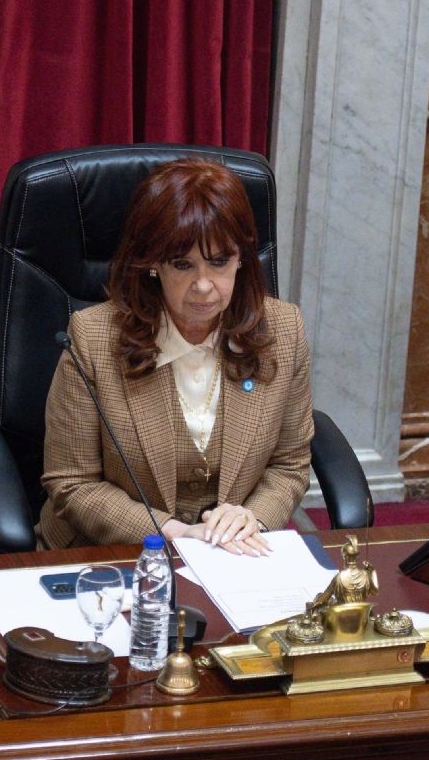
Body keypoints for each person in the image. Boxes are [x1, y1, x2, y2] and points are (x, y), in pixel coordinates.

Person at [37, 158, 314, 554]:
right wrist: (175, 532)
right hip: (112, 553)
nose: (203, 285)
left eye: (219, 262)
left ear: (241, 258)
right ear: (153, 263)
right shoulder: (93, 338)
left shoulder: (284, 330)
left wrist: (251, 517)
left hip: (233, 555)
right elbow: (73, 483)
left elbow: (288, 465)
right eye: (182, 265)